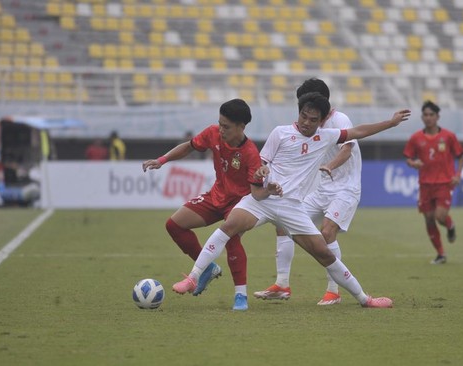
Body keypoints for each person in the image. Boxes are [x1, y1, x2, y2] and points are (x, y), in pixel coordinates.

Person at [171, 92, 410, 309]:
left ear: (322, 120)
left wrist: (390, 122)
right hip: (264, 199)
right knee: (229, 227)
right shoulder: (280, 133)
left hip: (293, 207)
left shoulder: (327, 137)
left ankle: (364, 299)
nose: (306, 122)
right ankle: (193, 277)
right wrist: (263, 174)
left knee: (324, 254)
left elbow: (358, 132)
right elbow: (260, 163)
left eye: (313, 119)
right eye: (303, 116)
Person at [142, 99, 261, 311]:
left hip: (240, 204)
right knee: (174, 225)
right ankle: (207, 267)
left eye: (226, 126)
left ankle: (240, 296)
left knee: (232, 240)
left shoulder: (251, 154)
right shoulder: (212, 133)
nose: (221, 130)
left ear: (241, 126)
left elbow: (256, 191)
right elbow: (189, 147)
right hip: (216, 196)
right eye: (220, 123)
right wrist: (162, 160)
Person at [254, 78, 362, 306]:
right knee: (282, 223)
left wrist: (329, 166)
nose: (306, 111)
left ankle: (334, 291)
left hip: (345, 188)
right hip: (320, 188)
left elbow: (347, 150)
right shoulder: (308, 123)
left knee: (327, 232)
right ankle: (282, 284)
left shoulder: (339, 119)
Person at [403, 100, 463, 264]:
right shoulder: (416, 138)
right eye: (425, 115)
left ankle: (450, 225)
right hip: (425, 184)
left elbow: (461, 156)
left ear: (438, 117)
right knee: (429, 218)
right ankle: (441, 254)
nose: (428, 117)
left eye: (431, 115)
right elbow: (408, 157)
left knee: (440, 216)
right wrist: (413, 163)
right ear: (422, 117)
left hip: (444, 183)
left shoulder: (448, 136)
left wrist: (458, 175)